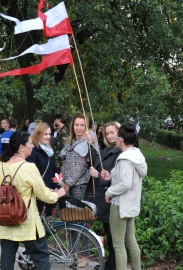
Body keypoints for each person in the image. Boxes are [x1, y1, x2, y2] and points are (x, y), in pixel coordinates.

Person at [0, 131, 67, 270]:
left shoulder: (1, 166)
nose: (32, 146)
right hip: (26, 221)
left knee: (6, 261)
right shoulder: (29, 168)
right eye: (30, 143)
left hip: (5, 220)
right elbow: (44, 195)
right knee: (41, 258)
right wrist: (59, 193)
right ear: (21, 147)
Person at [100, 123, 148, 270]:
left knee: (118, 245)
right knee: (130, 241)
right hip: (130, 204)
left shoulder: (125, 158)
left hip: (120, 206)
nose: (113, 138)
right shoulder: (136, 154)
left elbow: (125, 184)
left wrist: (109, 192)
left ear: (121, 140)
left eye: (116, 136)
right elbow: (126, 178)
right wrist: (110, 176)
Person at [60, 113, 94, 268]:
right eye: (76, 124)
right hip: (68, 185)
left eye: (82, 125)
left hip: (79, 186)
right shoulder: (71, 142)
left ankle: (85, 255)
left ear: (86, 126)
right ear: (72, 126)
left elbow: (79, 168)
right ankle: (73, 252)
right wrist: (61, 180)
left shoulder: (87, 142)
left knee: (81, 222)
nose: (79, 127)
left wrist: (67, 183)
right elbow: (66, 163)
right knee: (71, 220)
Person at [87, 121, 122, 270]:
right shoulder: (107, 149)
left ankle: (114, 265)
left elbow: (118, 178)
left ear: (118, 133)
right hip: (105, 198)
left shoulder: (119, 152)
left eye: (112, 133)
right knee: (109, 232)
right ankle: (110, 262)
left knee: (114, 235)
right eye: (107, 133)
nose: (109, 136)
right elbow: (97, 161)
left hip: (113, 197)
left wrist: (98, 176)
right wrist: (92, 144)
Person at [26, 122, 58, 216]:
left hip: (49, 193)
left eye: (49, 134)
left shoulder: (50, 151)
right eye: (45, 134)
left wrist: (56, 186)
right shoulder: (33, 152)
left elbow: (54, 170)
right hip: (37, 195)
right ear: (38, 134)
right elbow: (31, 175)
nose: (48, 137)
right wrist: (44, 188)